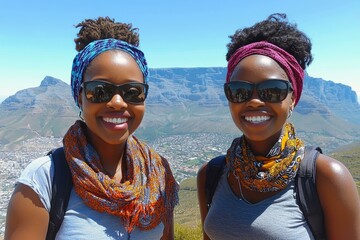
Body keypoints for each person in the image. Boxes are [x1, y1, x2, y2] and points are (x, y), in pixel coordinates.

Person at [5, 16, 179, 239]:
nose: (117, 102)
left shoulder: (158, 174)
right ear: (80, 97)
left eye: (132, 91)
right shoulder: (44, 179)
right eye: (99, 91)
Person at [197, 13, 360, 240]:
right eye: (239, 91)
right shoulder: (211, 174)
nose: (254, 101)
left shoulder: (326, 178)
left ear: (293, 99)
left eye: (272, 90)